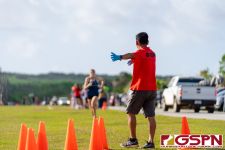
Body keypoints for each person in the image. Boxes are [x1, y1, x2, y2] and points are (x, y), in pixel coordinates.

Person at [111, 32, 157, 149]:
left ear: (137, 42)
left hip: (140, 88)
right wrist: (134, 60)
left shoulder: (139, 53)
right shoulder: (152, 54)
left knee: (131, 113)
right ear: (148, 41)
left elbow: (131, 54)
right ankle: (151, 142)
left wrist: (119, 57)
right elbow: (143, 59)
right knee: (151, 116)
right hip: (152, 89)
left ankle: (133, 140)